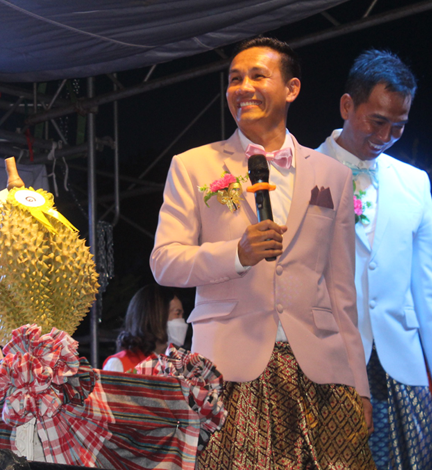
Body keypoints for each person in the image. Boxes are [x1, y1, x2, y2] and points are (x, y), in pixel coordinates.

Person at [150, 36, 374, 468]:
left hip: (321, 371)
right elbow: (164, 261)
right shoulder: (193, 165)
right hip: (228, 370)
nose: (243, 88)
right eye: (235, 79)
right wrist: (236, 254)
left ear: (291, 88)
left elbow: (342, 291)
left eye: (257, 76)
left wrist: (359, 384)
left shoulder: (332, 175)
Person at [317, 49, 431, 470]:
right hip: (327, 363)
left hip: (402, 365)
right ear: (347, 105)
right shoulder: (302, 172)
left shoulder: (415, 183)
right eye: (377, 121)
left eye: (398, 126)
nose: (386, 136)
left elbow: (425, 286)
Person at [102, 284, 188, 372]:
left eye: (182, 315)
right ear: (155, 316)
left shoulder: (178, 368)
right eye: (177, 314)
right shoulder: (120, 364)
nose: (182, 321)